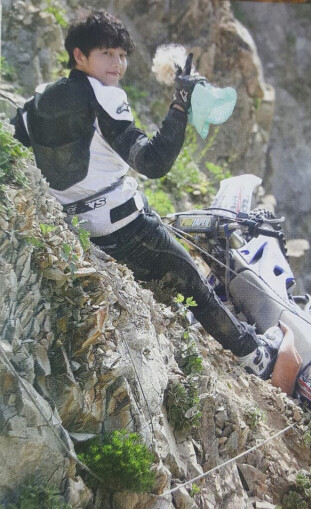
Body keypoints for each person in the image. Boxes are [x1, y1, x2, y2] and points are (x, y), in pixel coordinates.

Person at [11, 9, 282, 379]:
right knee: (195, 286)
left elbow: (18, 139)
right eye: (108, 53)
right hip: (126, 229)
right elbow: (153, 163)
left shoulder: (40, 98)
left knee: (171, 287)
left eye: (122, 55)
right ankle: (256, 357)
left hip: (82, 232)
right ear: (80, 56)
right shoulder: (103, 97)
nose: (118, 64)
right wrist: (180, 105)